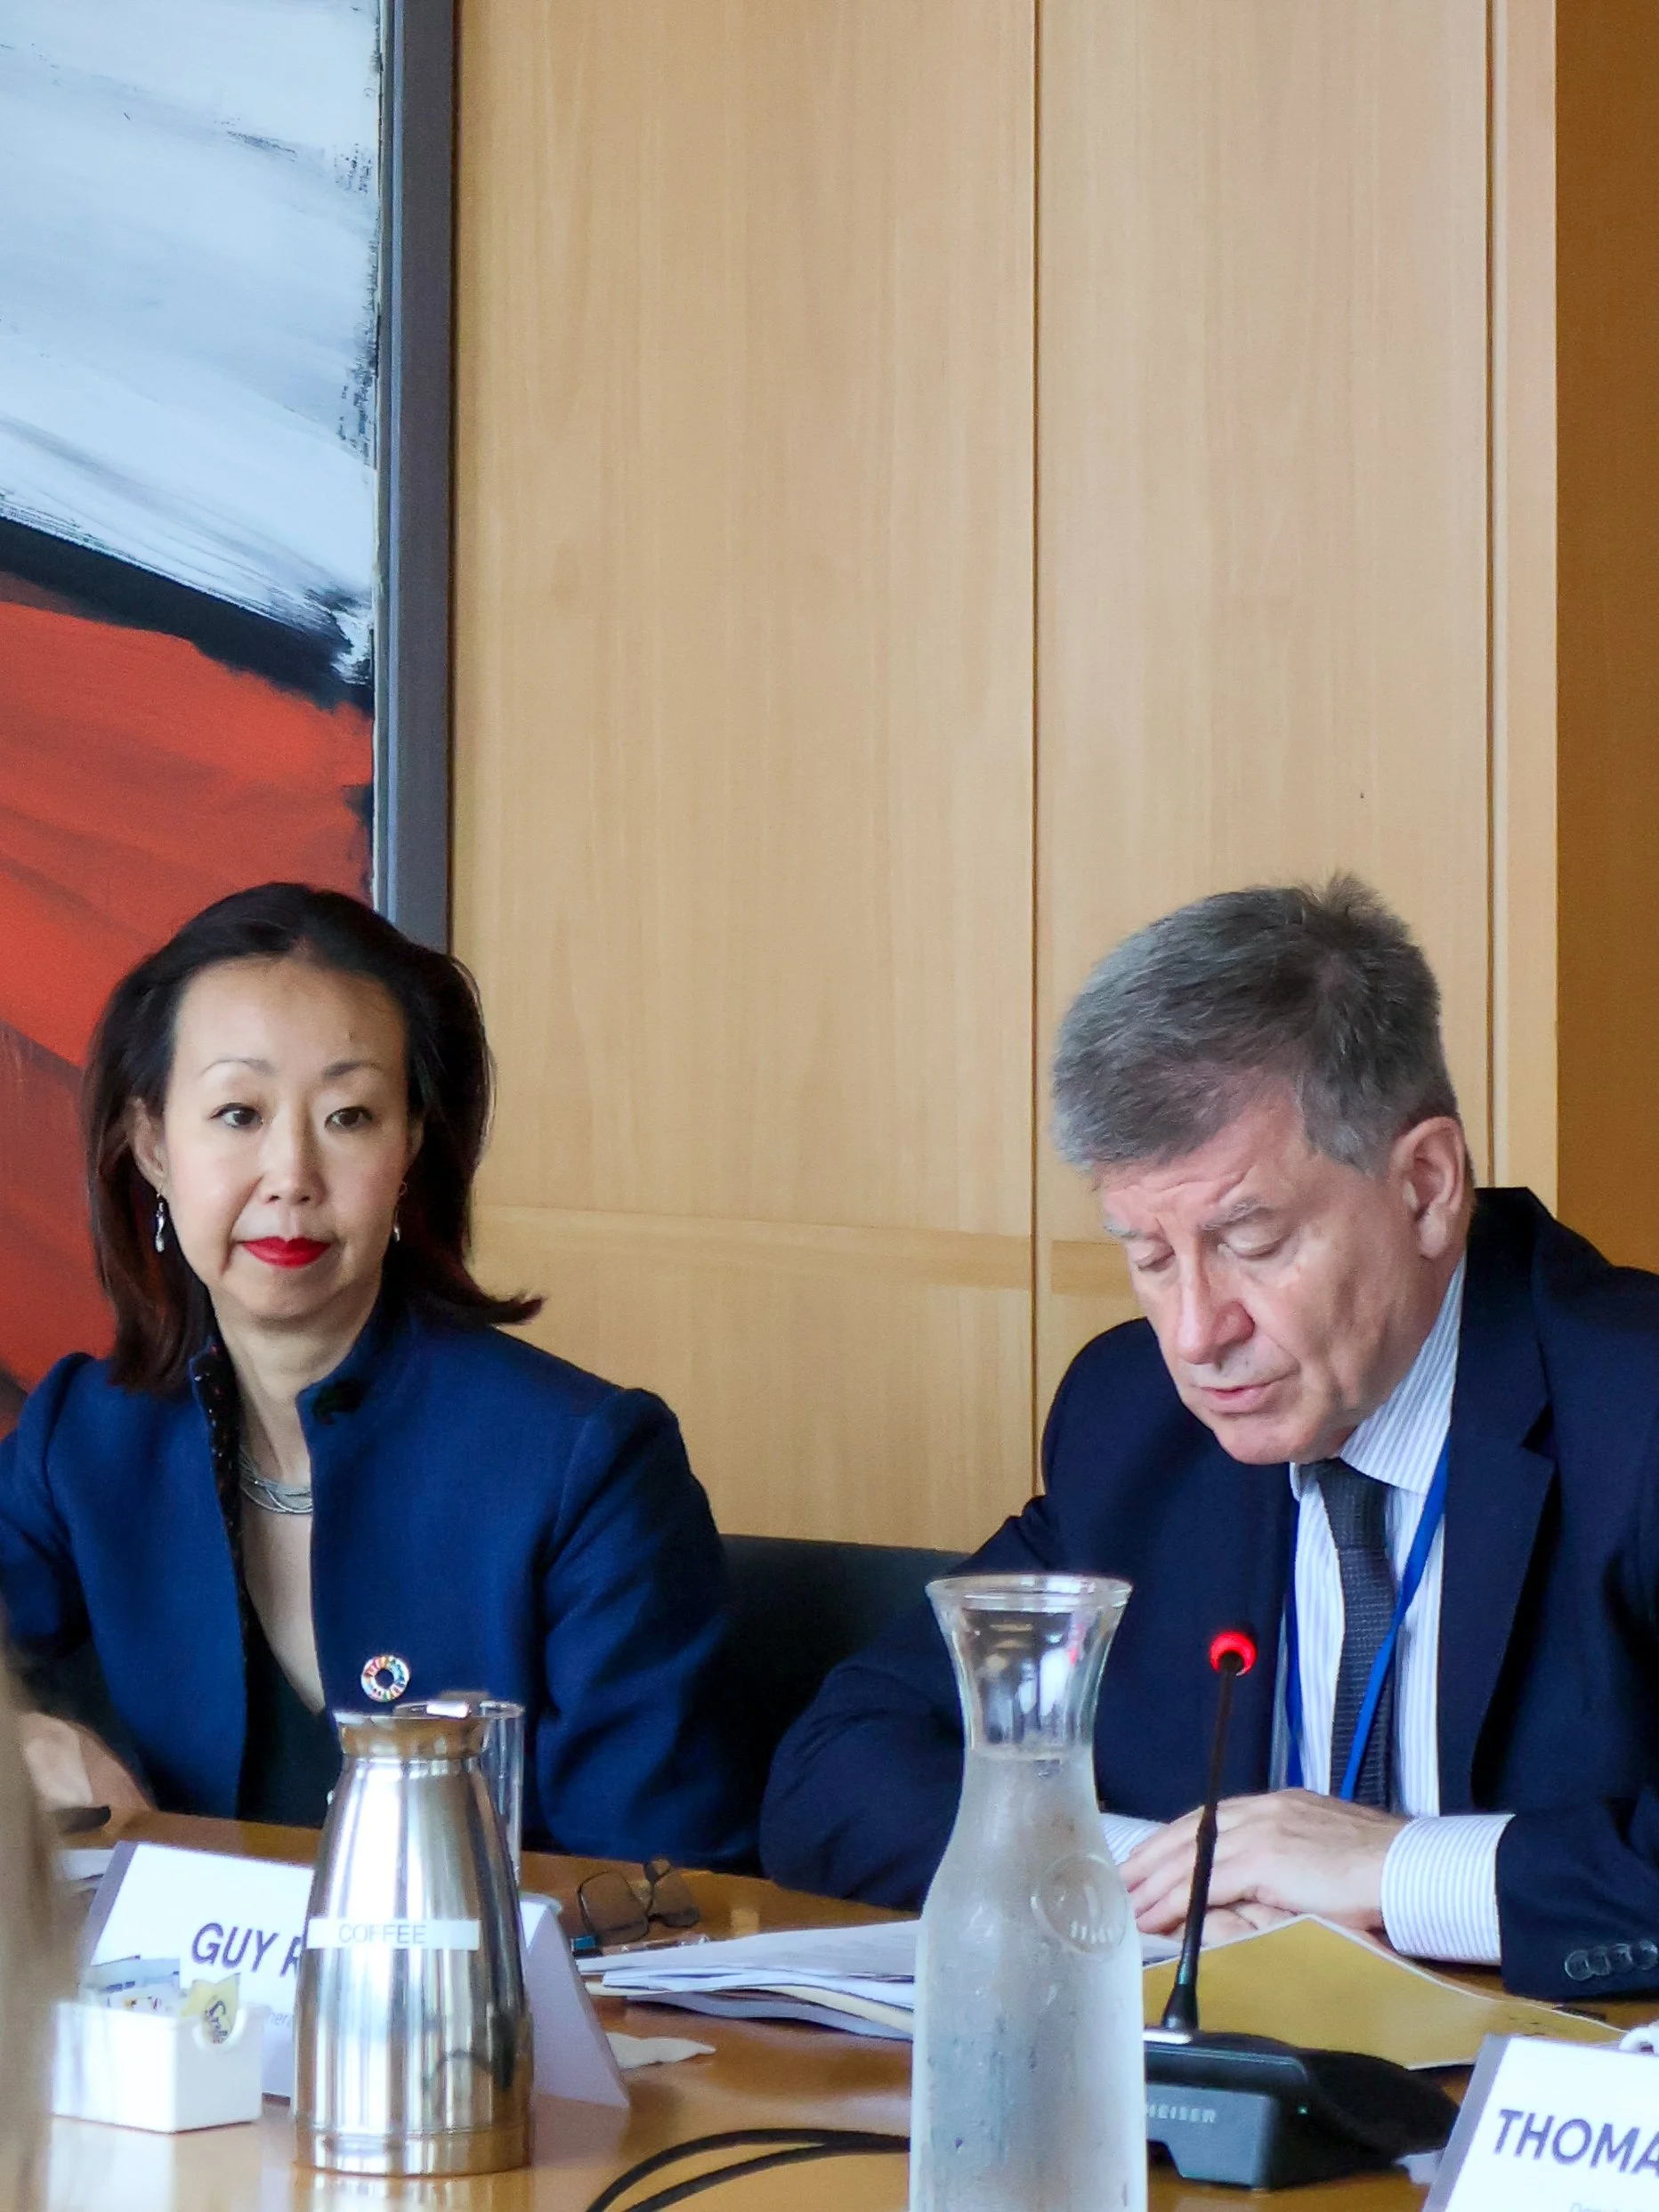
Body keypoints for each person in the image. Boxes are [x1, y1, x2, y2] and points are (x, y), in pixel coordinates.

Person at [761, 878, 1659, 2001]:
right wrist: (1165, 1881)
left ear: (1426, 1187)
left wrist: (1393, 1871)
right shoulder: (1133, 1422)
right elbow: (834, 1767)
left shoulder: (1634, 1411)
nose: (1197, 1333)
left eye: (1249, 1238)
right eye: (1148, 1256)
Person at [0, 883, 755, 1868]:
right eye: (237, 1112)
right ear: (151, 1145)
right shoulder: (86, 1439)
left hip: (496, 2019)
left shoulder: (587, 1466)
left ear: (410, 1149)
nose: (291, 1174)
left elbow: (662, 1893)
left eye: (349, 1116)